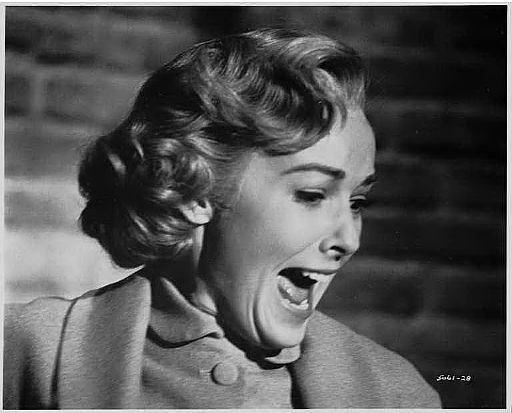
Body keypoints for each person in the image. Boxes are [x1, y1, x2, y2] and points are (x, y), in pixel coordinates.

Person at [3, 28, 441, 409]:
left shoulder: (399, 394)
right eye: (312, 195)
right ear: (195, 190)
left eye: (357, 202)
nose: (349, 239)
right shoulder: (27, 348)